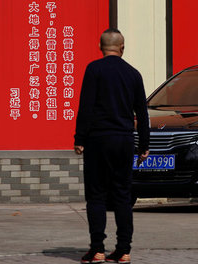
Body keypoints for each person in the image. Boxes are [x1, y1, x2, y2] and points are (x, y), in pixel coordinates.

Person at [74, 28, 150, 264]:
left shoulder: (94, 69)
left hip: (98, 140)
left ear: (100, 47)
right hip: (124, 141)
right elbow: (142, 113)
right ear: (122, 47)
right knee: (122, 196)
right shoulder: (133, 74)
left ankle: (97, 249)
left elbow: (86, 106)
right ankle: (123, 250)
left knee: (96, 196)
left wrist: (79, 139)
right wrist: (144, 146)